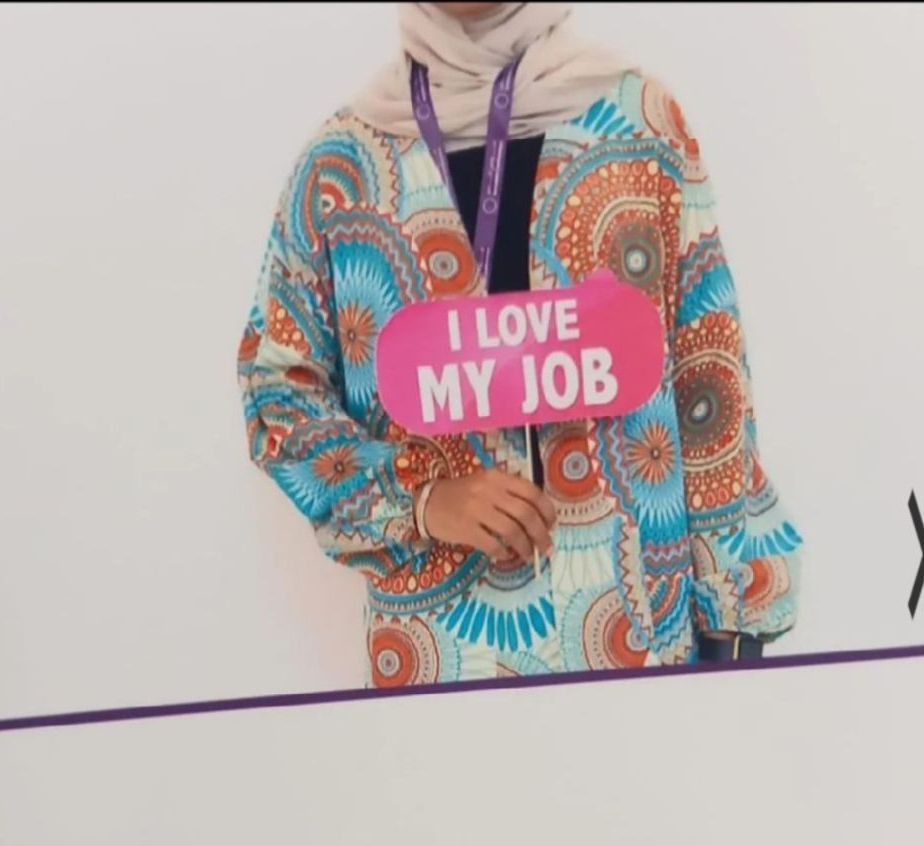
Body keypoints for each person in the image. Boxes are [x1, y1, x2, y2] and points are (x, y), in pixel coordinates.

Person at [238, 2, 802, 687]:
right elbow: (277, 389)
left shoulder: (638, 126)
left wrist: (732, 622)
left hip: (637, 643)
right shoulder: (345, 168)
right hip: (439, 656)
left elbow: (707, 378)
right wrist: (420, 499)